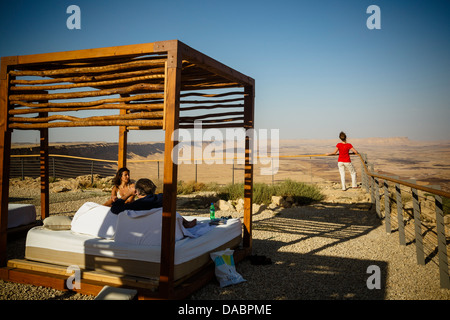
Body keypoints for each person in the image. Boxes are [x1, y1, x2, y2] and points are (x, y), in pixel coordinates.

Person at [111, 178, 197, 228]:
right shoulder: (161, 198)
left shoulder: (137, 205)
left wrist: (127, 194)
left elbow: (114, 209)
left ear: (137, 192)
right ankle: (185, 223)